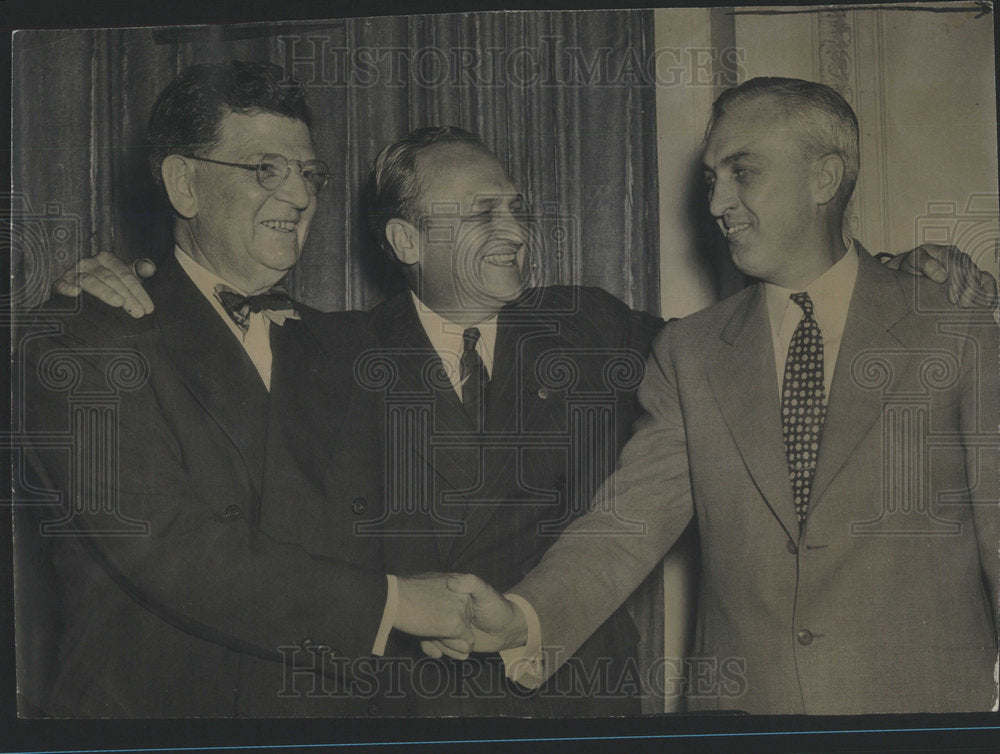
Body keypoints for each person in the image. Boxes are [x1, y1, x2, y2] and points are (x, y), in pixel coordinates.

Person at [52, 118, 994, 715]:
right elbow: (204, 372)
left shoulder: (589, 328)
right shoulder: (319, 350)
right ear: (406, 242)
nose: (514, 229)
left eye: (516, 207)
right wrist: (109, 282)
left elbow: (764, 340)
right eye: (480, 214)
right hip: (400, 714)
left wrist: (898, 269)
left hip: (573, 704)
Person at [454, 77, 999, 715]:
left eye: (743, 172)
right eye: (713, 177)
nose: (718, 201)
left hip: (927, 714)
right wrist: (525, 620)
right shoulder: (691, 353)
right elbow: (625, 526)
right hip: (744, 717)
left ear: (824, 179)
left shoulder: (950, 326)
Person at [15, 61, 476, 718]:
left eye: (308, 175)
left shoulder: (355, 346)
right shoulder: (82, 337)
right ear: (184, 184)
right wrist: (397, 605)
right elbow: (171, 549)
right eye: (266, 169)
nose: (298, 196)